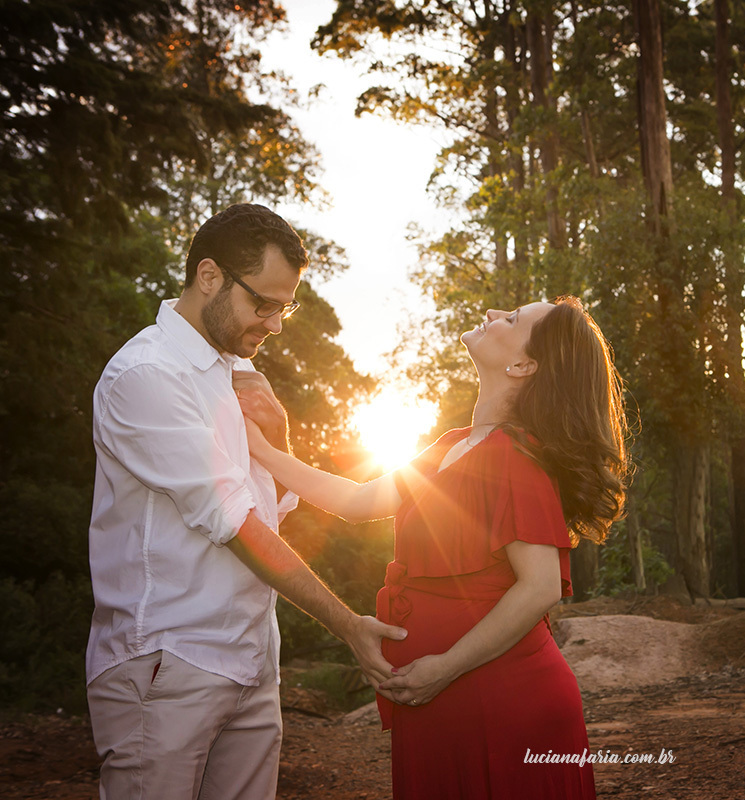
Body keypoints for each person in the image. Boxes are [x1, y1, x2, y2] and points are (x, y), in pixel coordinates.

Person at [243, 296, 629, 799]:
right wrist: (263, 449)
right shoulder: (453, 443)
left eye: (511, 320)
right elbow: (358, 499)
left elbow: (539, 588)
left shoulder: (517, 457)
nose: (492, 313)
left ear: (521, 365)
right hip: (439, 698)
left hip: (502, 704)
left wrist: (444, 669)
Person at [86, 203, 407, 800]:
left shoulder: (234, 373)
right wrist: (347, 624)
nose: (277, 323)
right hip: (168, 664)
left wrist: (279, 438)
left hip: (252, 660)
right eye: (265, 303)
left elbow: (268, 513)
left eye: (285, 306)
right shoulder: (147, 376)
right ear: (209, 277)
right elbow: (237, 526)